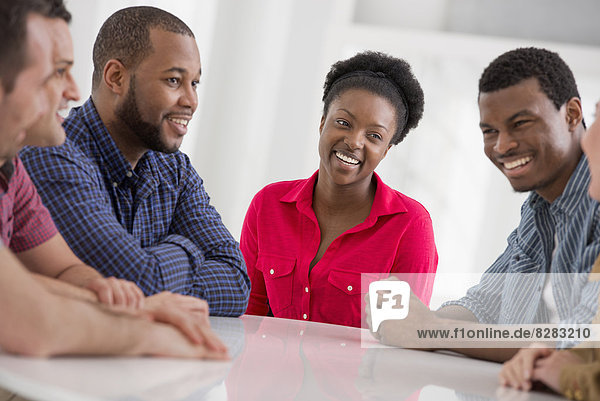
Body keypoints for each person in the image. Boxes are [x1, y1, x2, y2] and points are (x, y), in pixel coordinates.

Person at [0, 0, 227, 360]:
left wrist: (133, 305)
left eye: (194, 82)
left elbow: (62, 274)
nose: (73, 92)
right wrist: (146, 331)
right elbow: (32, 323)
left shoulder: (11, 171)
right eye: (57, 72)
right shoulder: (48, 154)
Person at [367, 47, 600, 361]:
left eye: (520, 124)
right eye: (491, 131)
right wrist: (416, 319)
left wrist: (430, 330)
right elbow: (484, 305)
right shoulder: (540, 206)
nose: (502, 146)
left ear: (572, 115)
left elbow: (583, 339)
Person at [241, 51, 438, 328]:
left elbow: (398, 339)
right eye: (343, 123)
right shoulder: (268, 205)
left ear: (386, 150)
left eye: (374, 136)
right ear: (322, 123)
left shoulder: (409, 225)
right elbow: (249, 316)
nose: (354, 142)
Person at [499, 101, 600, 400]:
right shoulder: (535, 207)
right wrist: (548, 351)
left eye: (597, 119)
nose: (588, 138)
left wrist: (562, 369)